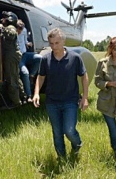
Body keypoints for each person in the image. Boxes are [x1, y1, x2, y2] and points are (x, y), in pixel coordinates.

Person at [32, 28, 89, 158]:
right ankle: (61, 158)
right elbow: (40, 77)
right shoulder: (46, 59)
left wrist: (85, 98)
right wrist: (36, 93)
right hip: (52, 102)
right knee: (57, 132)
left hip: (70, 101)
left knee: (69, 130)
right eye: (51, 43)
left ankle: (77, 144)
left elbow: (84, 77)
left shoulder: (75, 58)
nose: (54, 46)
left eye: (57, 43)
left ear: (63, 41)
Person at [0, 11, 22, 108]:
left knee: (11, 79)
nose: (2, 20)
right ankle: (22, 97)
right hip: (11, 55)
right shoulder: (9, 28)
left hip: (11, 55)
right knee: (15, 77)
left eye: (4, 18)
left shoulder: (11, 28)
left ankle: (16, 103)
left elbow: (11, 34)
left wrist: (2, 28)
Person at [16, 19, 42, 103]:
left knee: (39, 58)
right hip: (18, 57)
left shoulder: (24, 30)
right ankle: (29, 95)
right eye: (19, 30)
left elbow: (24, 40)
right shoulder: (12, 33)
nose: (20, 32)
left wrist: (27, 43)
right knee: (24, 72)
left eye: (21, 30)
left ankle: (32, 75)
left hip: (25, 54)